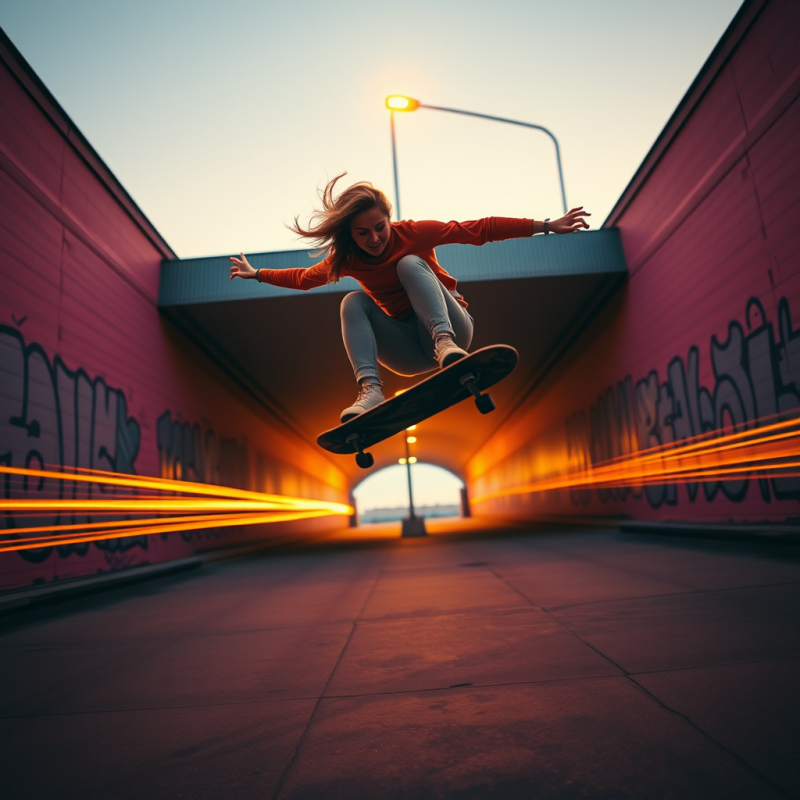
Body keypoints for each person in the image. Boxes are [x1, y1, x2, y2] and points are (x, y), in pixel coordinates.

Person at [229, 174, 590, 423]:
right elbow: (305, 279)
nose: (374, 239)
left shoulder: (414, 233)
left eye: (380, 227)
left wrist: (545, 225)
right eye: (362, 233)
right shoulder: (347, 259)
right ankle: (370, 391)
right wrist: (257, 273)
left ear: (390, 219)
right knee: (352, 301)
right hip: (406, 351)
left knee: (409, 262)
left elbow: (479, 229)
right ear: (350, 235)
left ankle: (444, 343)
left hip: (454, 332)